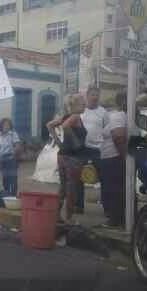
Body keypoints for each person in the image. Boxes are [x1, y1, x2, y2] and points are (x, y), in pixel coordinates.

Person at [49, 94, 90, 224]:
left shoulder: (65, 116)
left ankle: (56, 215)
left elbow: (49, 125)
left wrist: (57, 141)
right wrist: (76, 141)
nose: (84, 105)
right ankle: (69, 218)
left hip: (62, 155)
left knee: (63, 187)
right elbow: (66, 126)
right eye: (82, 103)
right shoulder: (75, 116)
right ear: (75, 105)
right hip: (72, 157)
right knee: (71, 188)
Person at [100, 92, 128, 228]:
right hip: (109, 158)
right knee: (112, 189)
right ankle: (116, 218)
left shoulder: (119, 116)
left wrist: (124, 157)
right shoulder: (117, 115)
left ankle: (115, 219)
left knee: (115, 189)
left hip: (114, 158)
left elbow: (118, 138)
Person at [78, 87, 108, 214]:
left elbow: (108, 129)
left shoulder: (103, 112)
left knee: (104, 178)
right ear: (87, 96)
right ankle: (78, 206)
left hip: (98, 149)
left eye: (97, 95)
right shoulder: (81, 111)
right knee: (78, 178)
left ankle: (107, 207)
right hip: (82, 149)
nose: (95, 97)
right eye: (92, 95)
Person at [0, 118, 21, 197]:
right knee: (5, 179)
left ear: (10, 126)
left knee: (13, 178)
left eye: (8, 125)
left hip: (11, 158)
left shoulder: (13, 134)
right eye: (4, 125)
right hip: (2, 159)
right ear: (1, 126)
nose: (6, 126)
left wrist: (13, 154)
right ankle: (7, 195)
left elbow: (17, 146)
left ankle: (13, 195)